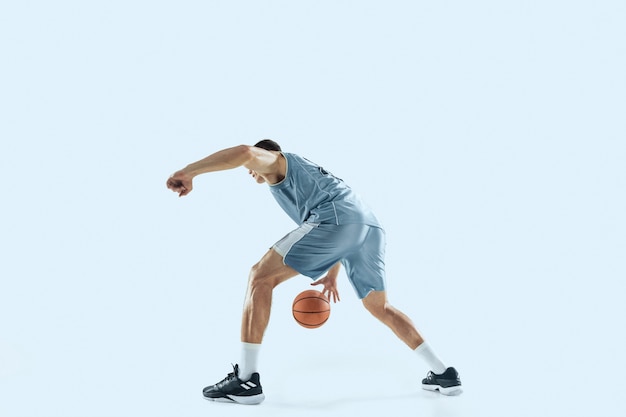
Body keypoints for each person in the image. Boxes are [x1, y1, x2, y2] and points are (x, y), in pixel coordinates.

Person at [166, 139, 462, 404]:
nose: (250, 170)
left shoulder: (278, 162)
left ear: (271, 154)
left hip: (337, 221)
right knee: (379, 306)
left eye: (255, 165)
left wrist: (189, 171)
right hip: (367, 226)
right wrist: (333, 271)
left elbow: (244, 152)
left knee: (259, 277)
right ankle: (443, 374)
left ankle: (245, 380)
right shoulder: (310, 177)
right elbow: (344, 216)